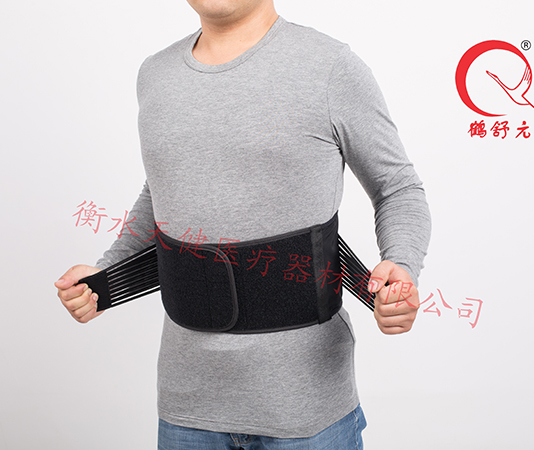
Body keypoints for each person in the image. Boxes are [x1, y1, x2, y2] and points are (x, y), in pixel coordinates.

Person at [55, 0, 431, 448]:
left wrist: (401, 266)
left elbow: (397, 187)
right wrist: (107, 273)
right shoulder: (155, 75)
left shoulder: (329, 67)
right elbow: (160, 192)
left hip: (305, 409)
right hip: (187, 405)